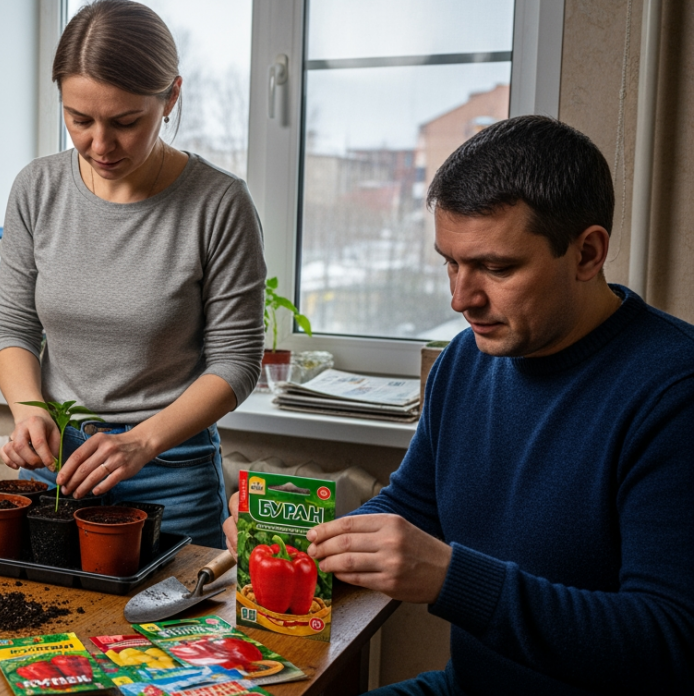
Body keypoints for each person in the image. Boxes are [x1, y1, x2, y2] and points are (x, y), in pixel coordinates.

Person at [225, 115, 694, 693]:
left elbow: (669, 640)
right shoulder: (467, 361)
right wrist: (310, 540)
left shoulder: (674, 392)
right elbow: (412, 505)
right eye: (451, 262)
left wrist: (453, 579)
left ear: (587, 253)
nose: (461, 299)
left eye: (496, 268)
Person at [0, 0, 265, 550]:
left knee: (174, 635)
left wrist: (141, 443)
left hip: (172, 469)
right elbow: (14, 327)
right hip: (57, 468)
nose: (98, 145)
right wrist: (29, 413)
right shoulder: (36, 189)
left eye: (124, 122)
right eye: (79, 119)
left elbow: (236, 361)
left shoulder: (218, 202)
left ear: (171, 97)